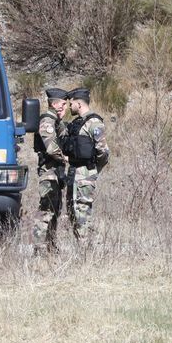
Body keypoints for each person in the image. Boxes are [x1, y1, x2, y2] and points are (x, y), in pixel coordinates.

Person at [64, 87, 109, 242]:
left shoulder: (94, 123)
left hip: (85, 172)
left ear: (79, 103)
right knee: (72, 211)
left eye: (71, 103)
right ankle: (82, 246)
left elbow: (103, 151)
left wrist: (94, 170)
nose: (69, 107)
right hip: (74, 171)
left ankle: (89, 248)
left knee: (82, 210)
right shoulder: (77, 123)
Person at [32, 88, 69, 253]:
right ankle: (39, 247)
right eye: (63, 104)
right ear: (55, 104)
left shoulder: (56, 121)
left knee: (55, 210)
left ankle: (51, 245)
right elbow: (51, 148)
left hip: (56, 172)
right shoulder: (47, 121)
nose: (65, 108)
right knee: (46, 210)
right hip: (48, 172)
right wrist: (66, 158)